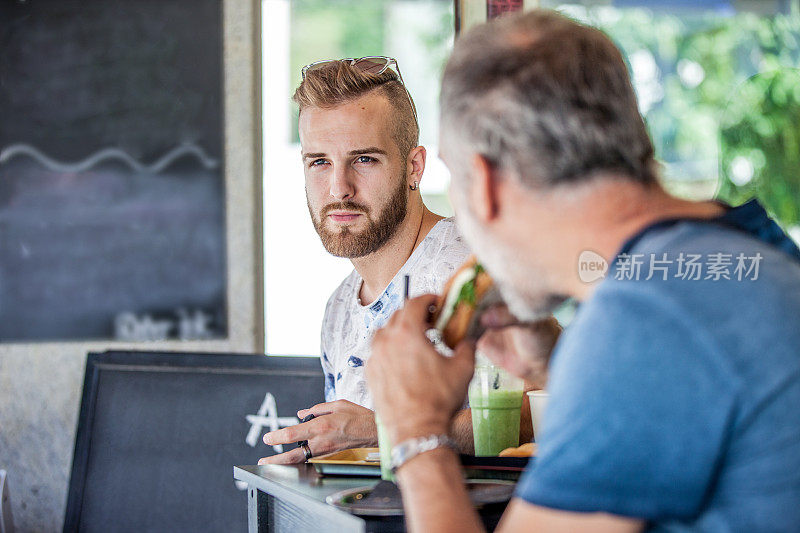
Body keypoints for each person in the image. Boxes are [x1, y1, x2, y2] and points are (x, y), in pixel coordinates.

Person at [366, 10, 800, 532]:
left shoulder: (647, 316)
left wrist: (416, 433)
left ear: (483, 182)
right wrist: (557, 366)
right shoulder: (744, 249)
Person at [259, 57, 481, 465]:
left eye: (364, 159)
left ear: (414, 167)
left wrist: (378, 429)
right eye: (319, 162)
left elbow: (540, 414)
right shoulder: (339, 308)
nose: (338, 188)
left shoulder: (472, 268)